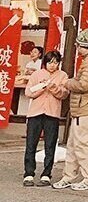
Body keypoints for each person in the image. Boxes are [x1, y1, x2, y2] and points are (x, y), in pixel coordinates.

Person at [53, 29, 88, 192]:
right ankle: (69, 176)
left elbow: (84, 85)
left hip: (87, 108)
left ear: (83, 46)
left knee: (83, 145)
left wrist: (67, 82)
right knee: (73, 144)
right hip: (83, 108)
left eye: (78, 46)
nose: (77, 50)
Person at [22, 50, 67, 186]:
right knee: (31, 143)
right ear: (45, 63)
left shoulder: (63, 76)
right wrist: (41, 87)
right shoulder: (37, 74)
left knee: (50, 144)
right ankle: (29, 173)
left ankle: (46, 174)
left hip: (52, 113)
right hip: (35, 113)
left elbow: (64, 94)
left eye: (55, 63)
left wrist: (53, 87)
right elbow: (28, 92)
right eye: (50, 62)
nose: (52, 65)